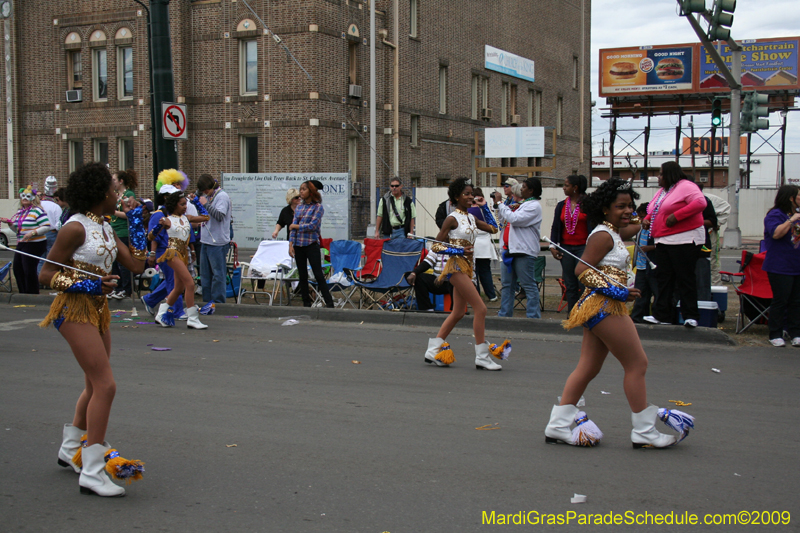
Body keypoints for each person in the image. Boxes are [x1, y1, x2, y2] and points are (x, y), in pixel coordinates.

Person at [545, 178, 694, 449]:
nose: (628, 211)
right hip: (605, 306)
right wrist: (619, 293)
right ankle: (644, 431)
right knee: (637, 365)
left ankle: (556, 426)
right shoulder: (602, 235)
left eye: (630, 206)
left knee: (588, 367)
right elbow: (581, 271)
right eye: (620, 206)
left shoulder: (612, 232)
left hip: (600, 306)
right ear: (605, 209)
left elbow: (634, 227)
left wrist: (649, 219)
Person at [39, 162, 146, 496]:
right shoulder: (75, 227)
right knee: (106, 386)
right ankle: (93, 471)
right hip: (73, 309)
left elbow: (137, 264)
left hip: (98, 311)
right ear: (102, 194)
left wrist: (139, 221)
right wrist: (87, 286)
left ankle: (70, 448)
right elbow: (44, 275)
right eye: (116, 191)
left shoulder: (105, 226)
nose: (121, 195)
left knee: (93, 384)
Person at [423, 177, 509, 370]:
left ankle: (432, 349)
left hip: (469, 268)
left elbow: (494, 228)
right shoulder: (452, 219)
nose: (471, 197)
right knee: (481, 309)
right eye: (467, 194)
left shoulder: (471, 218)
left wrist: (485, 206)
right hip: (456, 267)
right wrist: (459, 251)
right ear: (456, 197)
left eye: (472, 194)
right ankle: (482, 356)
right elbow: (436, 246)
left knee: (458, 312)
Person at [642, 161, 706, 327]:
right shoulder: (664, 191)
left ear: (670, 175)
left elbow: (700, 203)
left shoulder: (686, 186)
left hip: (685, 239)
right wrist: (647, 219)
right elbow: (655, 210)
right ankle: (661, 314)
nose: (658, 177)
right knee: (664, 278)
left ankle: (690, 315)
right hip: (664, 240)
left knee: (685, 278)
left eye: (661, 174)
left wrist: (677, 216)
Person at [151, 191, 207, 329]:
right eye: (182, 204)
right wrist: (159, 225)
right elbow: (151, 237)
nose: (185, 207)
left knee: (178, 288)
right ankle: (192, 318)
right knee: (190, 284)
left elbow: (206, 217)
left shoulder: (187, 218)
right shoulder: (168, 220)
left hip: (183, 254)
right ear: (173, 205)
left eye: (185, 204)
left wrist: (197, 203)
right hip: (172, 254)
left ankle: (161, 314)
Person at [494, 177, 543, 319]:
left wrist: (500, 203)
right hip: (509, 249)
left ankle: (533, 316)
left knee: (528, 284)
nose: (521, 189)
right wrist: (498, 207)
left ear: (531, 190)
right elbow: (504, 220)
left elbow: (515, 219)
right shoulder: (520, 205)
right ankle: (505, 314)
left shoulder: (533, 206)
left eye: (524, 187)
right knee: (507, 285)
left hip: (524, 251)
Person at [761, 185, 800, 347]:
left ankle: (795, 332)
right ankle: (775, 333)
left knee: (796, 301)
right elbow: (776, 233)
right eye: (799, 195)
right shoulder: (775, 215)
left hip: (796, 264)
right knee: (781, 300)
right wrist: (792, 220)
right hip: (780, 265)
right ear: (791, 198)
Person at [289, 180, 334, 308]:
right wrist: (290, 244)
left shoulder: (318, 207)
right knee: (302, 276)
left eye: (304, 189)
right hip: (298, 245)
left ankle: (329, 303)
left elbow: (312, 226)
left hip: (311, 244)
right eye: (300, 189)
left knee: (318, 274)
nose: (301, 191)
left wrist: (295, 226)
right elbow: (292, 229)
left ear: (311, 191)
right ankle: (306, 304)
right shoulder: (299, 207)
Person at [549, 175, 590, 313]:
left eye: (566, 185)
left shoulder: (588, 203)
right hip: (565, 248)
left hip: (584, 248)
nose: (563, 188)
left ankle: (585, 313)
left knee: (583, 283)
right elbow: (555, 226)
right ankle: (572, 314)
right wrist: (552, 246)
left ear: (575, 188)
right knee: (570, 284)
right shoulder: (562, 205)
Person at [2, 185, 50, 294]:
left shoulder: (37, 211)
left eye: (27, 196)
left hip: (35, 243)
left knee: (28, 268)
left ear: (33, 198)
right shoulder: (20, 212)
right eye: (22, 196)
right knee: (18, 268)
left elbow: (46, 226)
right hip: (22, 242)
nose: (24, 198)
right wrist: (10, 224)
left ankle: (32, 292)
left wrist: (33, 233)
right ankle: (23, 292)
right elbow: (18, 230)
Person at [197, 174, 232, 304]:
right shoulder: (209, 196)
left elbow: (219, 215)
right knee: (205, 275)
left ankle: (218, 302)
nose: (205, 193)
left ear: (211, 186)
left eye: (206, 190)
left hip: (217, 242)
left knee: (218, 275)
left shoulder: (222, 196)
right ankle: (207, 301)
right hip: (205, 240)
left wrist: (206, 205)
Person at [108, 169, 138, 300]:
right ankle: (117, 287)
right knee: (113, 260)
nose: (113, 182)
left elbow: (129, 215)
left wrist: (113, 212)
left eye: (114, 180)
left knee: (123, 262)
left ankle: (126, 289)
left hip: (123, 231)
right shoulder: (115, 194)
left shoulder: (129, 194)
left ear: (121, 181)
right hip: (113, 230)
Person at [468, 187, 499, 301]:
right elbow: (493, 224)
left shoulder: (468, 210)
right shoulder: (484, 210)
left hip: (473, 243)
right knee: (485, 271)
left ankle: (476, 295)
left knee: (474, 272)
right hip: (485, 243)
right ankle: (491, 295)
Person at [629, 203, 658, 323]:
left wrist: (650, 248)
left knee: (655, 291)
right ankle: (637, 316)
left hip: (651, 264)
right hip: (641, 265)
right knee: (640, 292)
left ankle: (656, 314)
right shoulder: (640, 228)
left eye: (643, 216)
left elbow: (660, 245)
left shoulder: (654, 228)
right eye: (640, 217)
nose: (642, 220)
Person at [38, 176, 63, 278]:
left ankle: (39, 279)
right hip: (52, 233)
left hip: (40, 233)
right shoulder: (56, 206)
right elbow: (59, 224)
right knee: (51, 259)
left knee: (40, 259)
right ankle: (49, 279)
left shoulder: (39, 204)